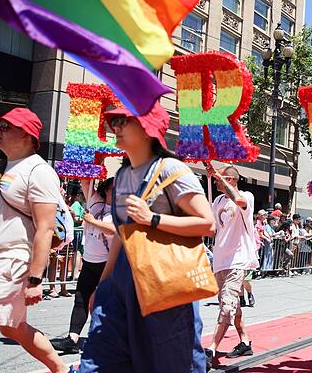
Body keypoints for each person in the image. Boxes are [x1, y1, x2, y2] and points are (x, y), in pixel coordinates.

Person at [78, 102, 215, 372]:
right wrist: (103, 285)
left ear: (148, 129)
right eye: (113, 122)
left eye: (123, 122)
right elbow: (122, 234)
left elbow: (207, 224)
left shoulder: (172, 170)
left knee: (170, 365)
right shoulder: (123, 176)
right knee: (98, 363)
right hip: (120, 284)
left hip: (163, 285)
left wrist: (152, 218)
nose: (114, 127)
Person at [0, 108, 67, 372]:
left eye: (6, 127)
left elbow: (44, 228)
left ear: (28, 135)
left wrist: (35, 279)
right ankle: (61, 370)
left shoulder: (39, 170)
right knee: (13, 327)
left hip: (13, 260)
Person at [51, 177, 115, 355]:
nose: (116, 192)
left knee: (103, 303)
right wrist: (94, 164)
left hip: (108, 264)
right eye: (112, 188)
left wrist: (91, 220)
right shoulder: (96, 202)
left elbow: (114, 230)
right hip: (89, 261)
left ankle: (106, 339)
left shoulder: (122, 211)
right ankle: (72, 338)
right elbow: (86, 183)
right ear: (106, 190)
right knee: (80, 299)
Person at [206, 163, 259, 364]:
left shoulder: (247, 196)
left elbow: (238, 199)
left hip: (238, 260)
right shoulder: (218, 200)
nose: (217, 183)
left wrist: (219, 176)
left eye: (221, 179)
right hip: (220, 261)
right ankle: (244, 341)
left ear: (231, 180)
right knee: (231, 305)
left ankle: (211, 349)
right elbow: (211, 227)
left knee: (227, 307)